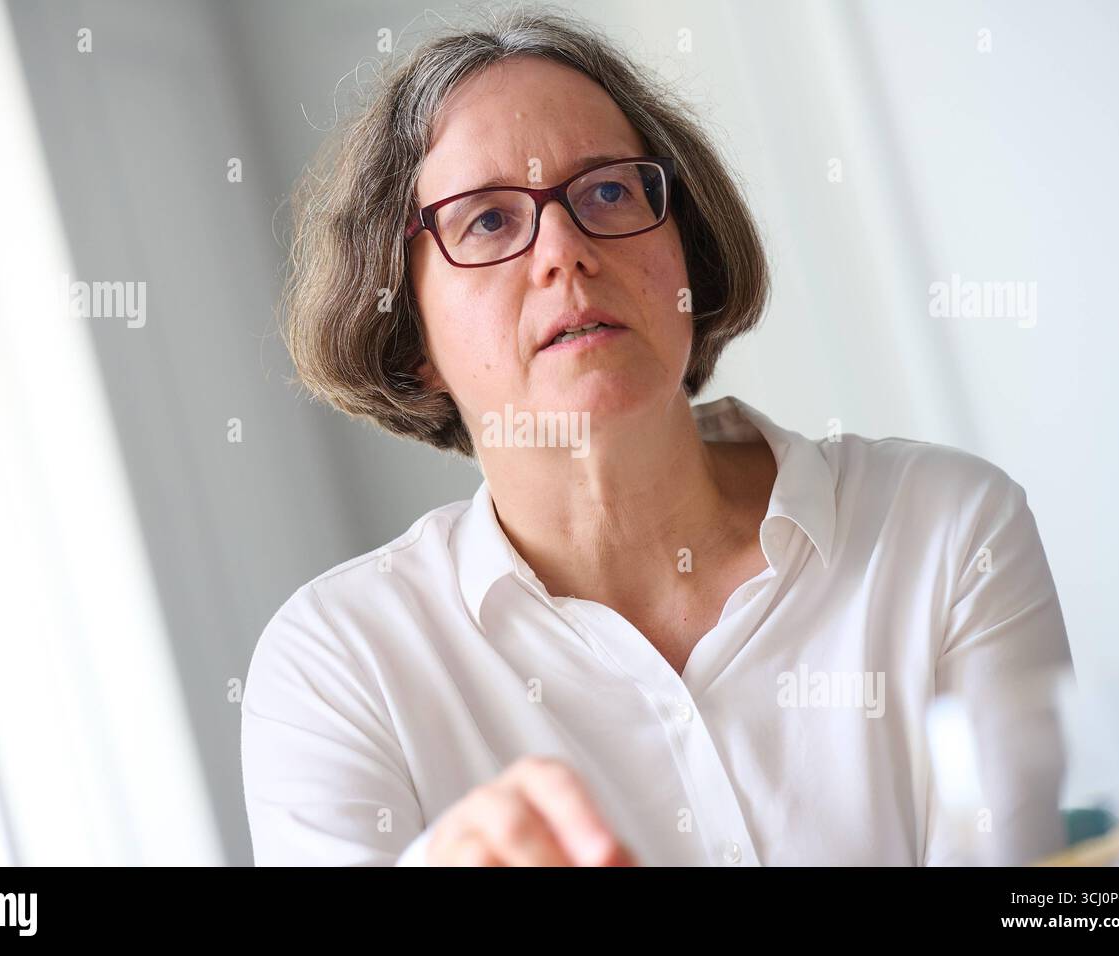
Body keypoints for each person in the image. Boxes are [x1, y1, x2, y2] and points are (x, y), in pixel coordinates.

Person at [240, 6, 1073, 866]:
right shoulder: (337, 668)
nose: (564, 250)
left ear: (687, 254)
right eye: (488, 220)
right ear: (410, 337)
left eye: (608, 191)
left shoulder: (945, 530)